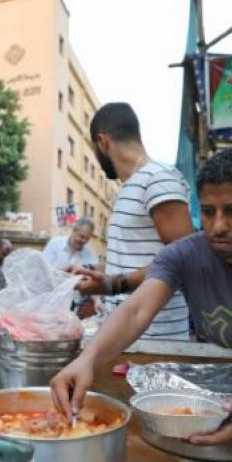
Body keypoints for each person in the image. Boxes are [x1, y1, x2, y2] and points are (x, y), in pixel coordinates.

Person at [52, 148, 232, 445]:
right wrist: (88, 360)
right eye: (209, 212)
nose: (218, 226)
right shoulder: (184, 254)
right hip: (207, 398)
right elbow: (136, 312)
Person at [74, 102, 194, 339]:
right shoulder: (132, 186)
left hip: (155, 342)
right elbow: (142, 260)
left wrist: (112, 284)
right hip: (127, 339)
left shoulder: (158, 178)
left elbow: (186, 259)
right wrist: (99, 275)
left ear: (103, 142)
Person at [42, 217, 99, 319]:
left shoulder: (91, 254)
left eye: (87, 238)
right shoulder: (54, 245)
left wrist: (97, 301)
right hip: (51, 302)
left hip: (76, 307)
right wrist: (61, 273)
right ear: (74, 230)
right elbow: (42, 271)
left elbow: (94, 282)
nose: (83, 241)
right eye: (81, 236)